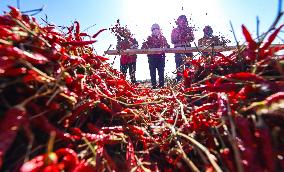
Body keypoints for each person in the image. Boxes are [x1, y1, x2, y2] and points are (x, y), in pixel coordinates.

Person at [142, 24, 170, 89]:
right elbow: (143, 46)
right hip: (152, 57)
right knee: (152, 71)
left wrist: (166, 46)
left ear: (159, 29)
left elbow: (168, 45)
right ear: (152, 30)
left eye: (156, 28)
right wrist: (146, 47)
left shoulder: (163, 38)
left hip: (161, 57)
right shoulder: (149, 38)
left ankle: (161, 85)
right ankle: (154, 85)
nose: (155, 30)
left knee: (161, 71)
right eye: (153, 29)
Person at [171, 15, 195, 82]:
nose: (182, 22)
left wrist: (188, 36)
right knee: (179, 66)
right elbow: (172, 40)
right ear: (178, 21)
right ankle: (179, 82)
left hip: (188, 48)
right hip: (178, 49)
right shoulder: (174, 30)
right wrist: (179, 37)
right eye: (181, 20)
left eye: (184, 20)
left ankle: (189, 81)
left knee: (189, 65)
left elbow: (192, 38)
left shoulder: (189, 29)